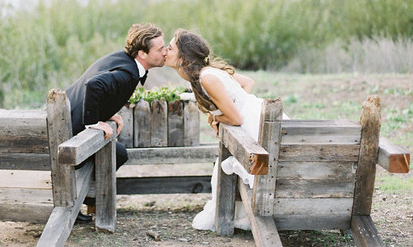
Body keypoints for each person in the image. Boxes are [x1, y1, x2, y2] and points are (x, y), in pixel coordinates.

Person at [164, 28, 268, 231]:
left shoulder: (207, 77)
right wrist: (228, 108)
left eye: (170, 48)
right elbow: (247, 83)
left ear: (183, 57)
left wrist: (217, 117)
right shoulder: (205, 74)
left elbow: (236, 118)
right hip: (250, 116)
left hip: (251, 123)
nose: (165, 51)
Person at [66, 22, 167, 220]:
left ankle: (86, 197)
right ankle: (82, 198)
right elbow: (94, 85)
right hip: (69, 128)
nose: (165, 52)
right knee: (118, 153)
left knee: (119, 152)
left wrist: (107, 112)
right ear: (142, 54)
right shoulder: (127, 74)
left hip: (70, 114)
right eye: (160, 48)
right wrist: (93, 122)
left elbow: (101, 86)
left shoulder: (123, 60)